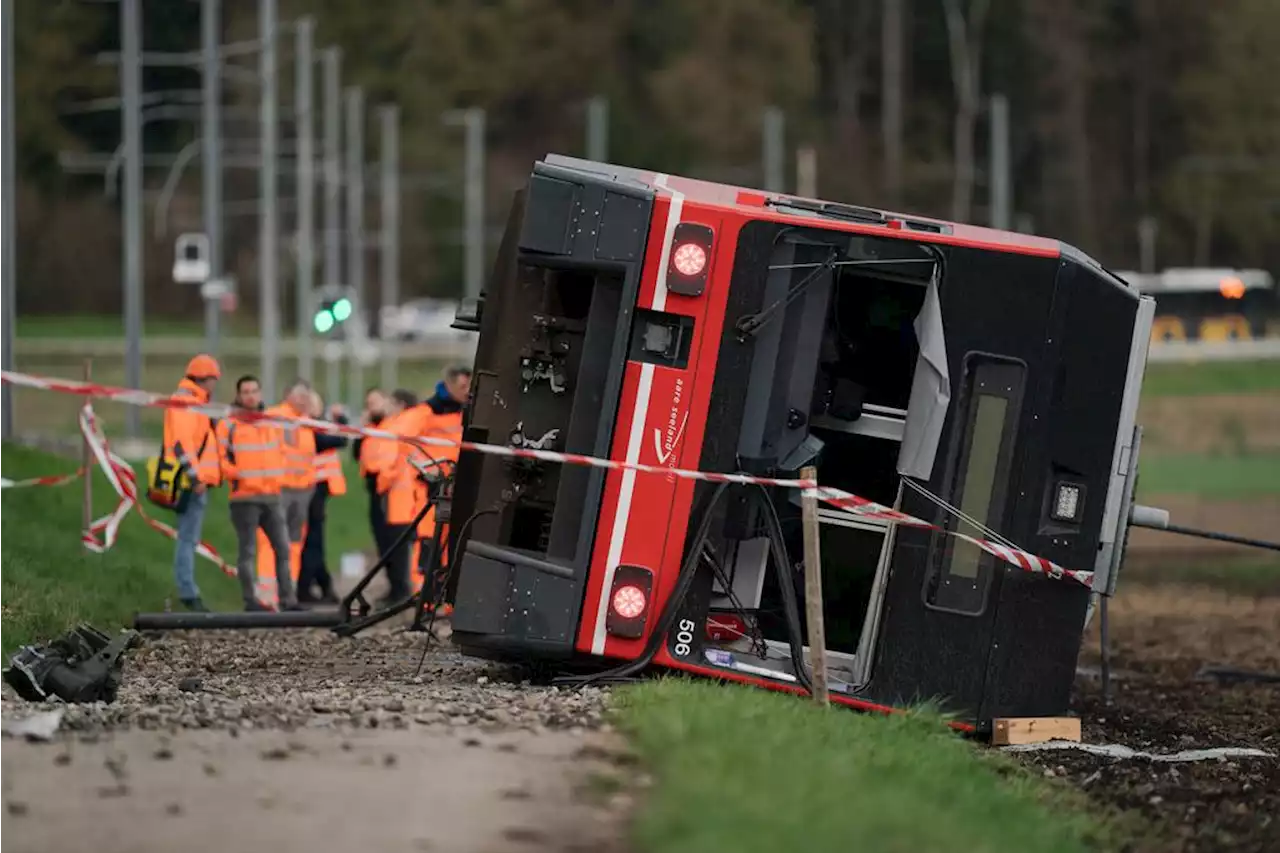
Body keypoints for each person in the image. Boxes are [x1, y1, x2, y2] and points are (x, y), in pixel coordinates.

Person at [216, 375, 298, 611]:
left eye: (254, 391)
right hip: (245, 498)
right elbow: (219, 458)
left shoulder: (271, 421)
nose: (251, 396)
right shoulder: (229, 424)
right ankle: (250, 601)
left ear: (260, 393)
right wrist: (238, 475)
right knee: (248, 551)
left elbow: (281, 451)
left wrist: (278, 476)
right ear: (238, 396)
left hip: (272, 496)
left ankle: (288, 599)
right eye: (246, 392)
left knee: (283, 548)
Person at [266, 380, 347, 583]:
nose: (306, 403)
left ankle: (294, 585)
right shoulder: (290, 420)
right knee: (300, 540)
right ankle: (294, 585)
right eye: (303, 397)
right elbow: (337, 440)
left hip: (306, 488)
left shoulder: (306, 423)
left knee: (299, 540)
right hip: (289, 487)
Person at [162, 354, 223, 612]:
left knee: (188, 537)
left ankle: (188, 590)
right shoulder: (188, 402)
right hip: (190, 482)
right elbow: (181, 443)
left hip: (194, 480)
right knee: (187, 538)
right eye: (213, 380)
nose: (215, 385)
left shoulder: (194, 401)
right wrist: (195, 476)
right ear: (204, 379)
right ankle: (188, 592)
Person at [413, 366, 471, 608]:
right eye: (462, 387)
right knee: (430, 544)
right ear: (448, 385)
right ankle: (426, 600)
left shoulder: (467, 411)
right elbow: (405, 443)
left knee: (454, 544)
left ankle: (447, 600)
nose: (467, 392)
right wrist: (426, 473)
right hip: (433, 489)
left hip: (459, 485)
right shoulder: (426, 412)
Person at [369, 388, 420, 607]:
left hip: (399, 494)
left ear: (400, 404)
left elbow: (391, 461)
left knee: (399, 545)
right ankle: (400, 589)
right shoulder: (404, 423)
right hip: (403, 493)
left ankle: (401, 590)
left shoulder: (400, 425)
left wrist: (382, 482)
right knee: (399, 545)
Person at [299, 390, 349, 605]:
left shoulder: (316, 425)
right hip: (312, 489)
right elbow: (338, 439)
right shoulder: (309, 427)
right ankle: (307, 588)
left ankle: (322, 587)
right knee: (313, 541)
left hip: (318, 490)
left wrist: (340, 420)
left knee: (314, 540)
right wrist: (341, 422)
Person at [351, 388, 389, 565]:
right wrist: (361, 431)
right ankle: (392, 583)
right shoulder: (368, 428)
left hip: (389, 486)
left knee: (391, 535)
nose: (371, 407)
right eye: (368, 404)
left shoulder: (391, 425)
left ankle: (399, 585)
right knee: (379, 533)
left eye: (375, 402)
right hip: (372, 485)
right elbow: (356, 454)